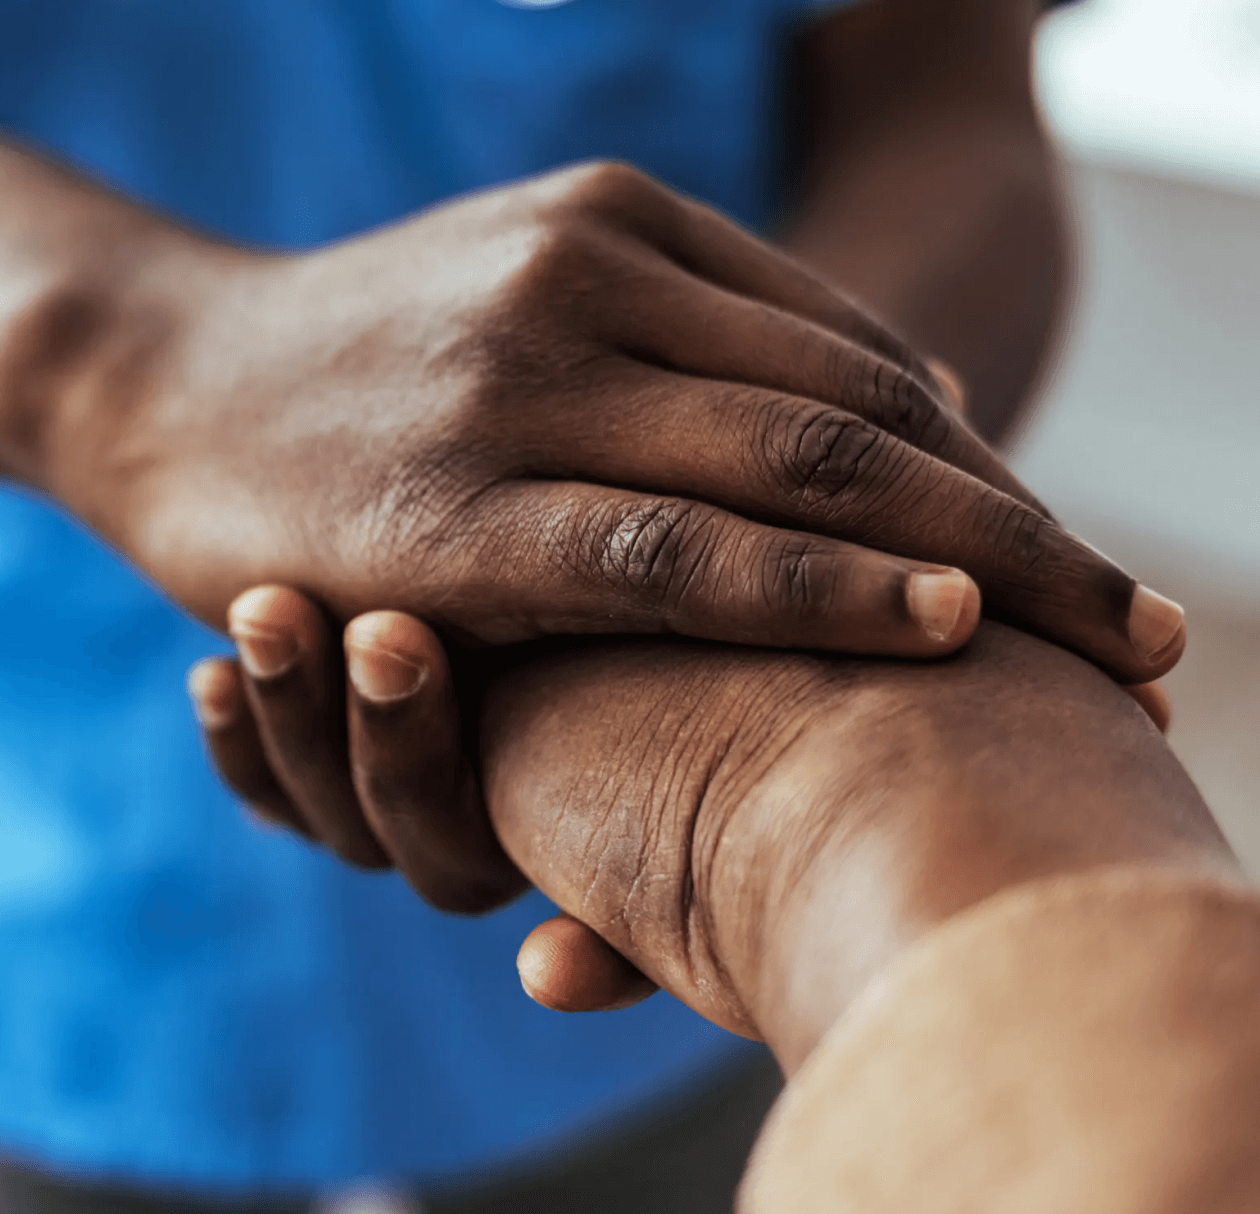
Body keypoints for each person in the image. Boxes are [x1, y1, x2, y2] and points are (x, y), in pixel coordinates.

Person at [0, 0, 1184, 1210]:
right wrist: (131, 360)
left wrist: (784, 482)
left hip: (661, 907)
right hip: (63, 835)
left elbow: (941, 91)